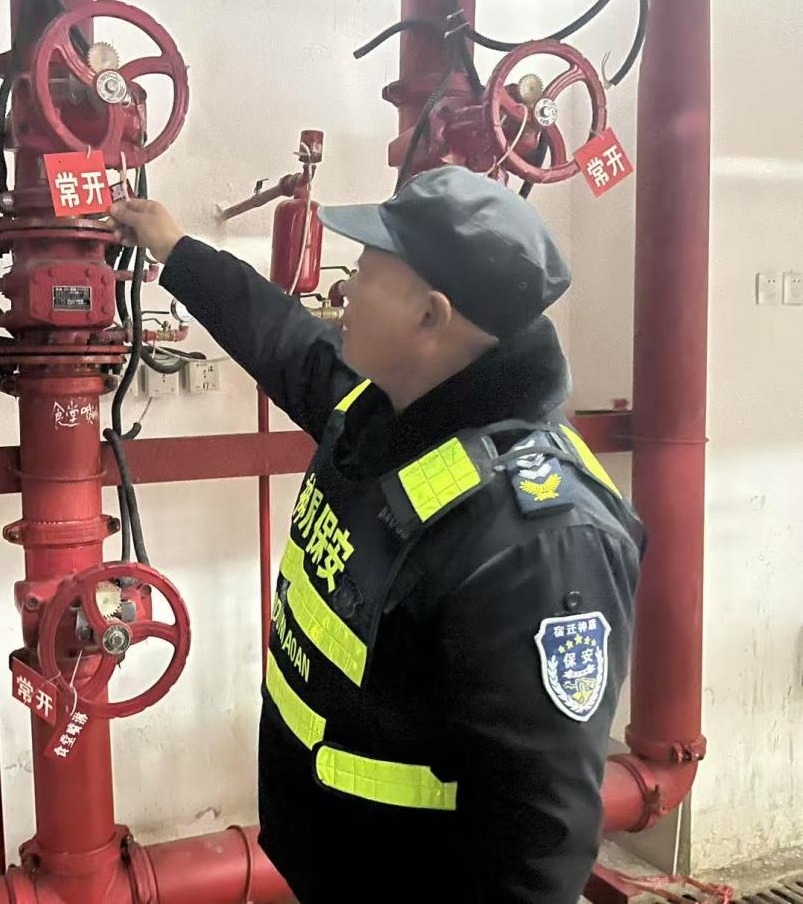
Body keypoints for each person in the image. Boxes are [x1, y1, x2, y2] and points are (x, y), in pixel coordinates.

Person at [110, 166, 644, 904]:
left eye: (364, 273)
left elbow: (538, 837)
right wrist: (175, 248)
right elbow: (284, 342)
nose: (344, 292)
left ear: (430, 317)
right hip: (336, 866)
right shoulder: (392, 410)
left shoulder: (541, 540)